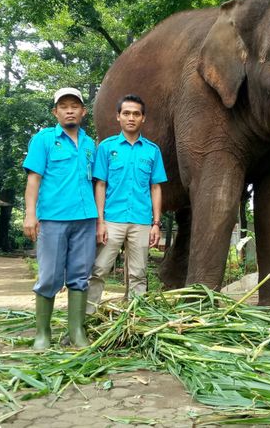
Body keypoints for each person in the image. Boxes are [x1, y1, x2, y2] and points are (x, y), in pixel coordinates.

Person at [22, 87, 97, 349]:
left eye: (74, 106)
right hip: (53, 219)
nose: (69, 110)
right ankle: (42, 334)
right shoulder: (43, 140)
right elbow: (34, 179)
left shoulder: (90, 144)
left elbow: (97, 182)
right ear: (55, 112)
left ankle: (76, 331)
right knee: (50, 276)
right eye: (63, 106)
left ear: (83, 111)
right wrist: (30, 214)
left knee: (80, 275)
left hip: (86, 219)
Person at [87, 94, 167, 313]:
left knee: (138, 274)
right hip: (112, 219)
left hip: (141, 221)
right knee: (99, 270)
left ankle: (134, 320)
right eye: (126, 113)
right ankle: (87, 317)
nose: (131, 118)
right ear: (118, 117)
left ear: (143, 118)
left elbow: (156, 187)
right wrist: (100, 221)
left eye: (136, 114)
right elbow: (100, 185)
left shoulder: (152, 150)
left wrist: (156, 224)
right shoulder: (106, 147)